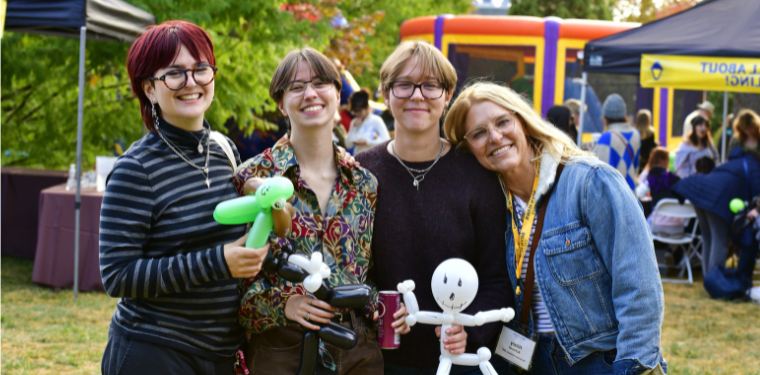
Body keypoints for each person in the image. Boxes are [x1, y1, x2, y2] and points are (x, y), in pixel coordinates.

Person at [444, 82, 667, 375]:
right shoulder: (493, 205)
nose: (495, 137)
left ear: (522, 121)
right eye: (479, 133)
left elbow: (639, 288)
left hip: (597, 361)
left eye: (502, 122)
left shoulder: (589, 181)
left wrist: (632, 366)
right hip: (533, 361)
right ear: (468, 148)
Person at [99, 20, 263, 374]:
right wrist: (219, 261)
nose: (191, 83)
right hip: (155, 352)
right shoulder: (136, 169)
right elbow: (117, 275)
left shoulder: (224, 151)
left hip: (220, 354)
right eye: (174, 74)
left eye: (200, 70)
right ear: (150, 89)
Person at [232, 47, 396, 374]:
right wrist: (284, 305)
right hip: (281, 347)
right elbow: (231, 284)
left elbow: (373, 274)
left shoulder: (365, 183)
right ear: (280, 103)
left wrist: (383, 305)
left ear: (338, 94)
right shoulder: (252, 178)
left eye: (321, 83)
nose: (310, 93)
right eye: (296, 87)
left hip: (356, 348)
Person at [354, 40, 512, 375]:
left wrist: (471, 328)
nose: (417, 95)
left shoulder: (475, 173)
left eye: (430, 85)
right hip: (382, 361)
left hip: (462, 362)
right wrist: (372, 305)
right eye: (404, 85)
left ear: (447, 94)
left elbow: (498, 276)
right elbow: (350, 268)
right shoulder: (361, 171)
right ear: (385, 94)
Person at [673, 146, 760, 276]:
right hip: (715, 198)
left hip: (698, 190)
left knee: (708, 237)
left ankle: (708, 278)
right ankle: (714, 280)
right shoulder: (752, 164)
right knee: (719, 239)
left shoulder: (731, 164)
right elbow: (758, 189)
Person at [592, 94, 641, 190]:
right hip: (631, 194)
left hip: (614, 197)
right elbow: (636, 167)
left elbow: (599, 175)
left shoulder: (606, 138)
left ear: (605, 115)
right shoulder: (636, 134)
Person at [635, 147, 684, 237]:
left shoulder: (651, 177)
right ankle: (670, 251)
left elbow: (638, 193)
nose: (668, 162)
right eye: (667, 159)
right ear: (661, 160)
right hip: (678, 227)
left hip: (657, 224)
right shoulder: (674, 178)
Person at [345, 88, 391, 153]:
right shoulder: (354, 122)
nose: (357, 114)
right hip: (358, 158)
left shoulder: (376, 120)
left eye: (359, 111)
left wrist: (367, 142)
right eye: (355, 111)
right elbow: (347, 144)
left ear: (366, 108)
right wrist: (354, 127)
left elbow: (387, 142)